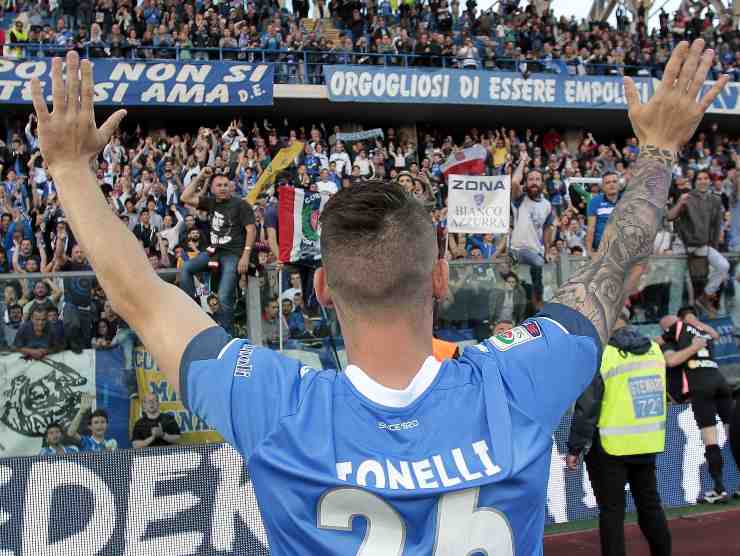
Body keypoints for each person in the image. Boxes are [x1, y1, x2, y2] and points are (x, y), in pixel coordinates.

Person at [30, 43, 726, 554]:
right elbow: (613, 266)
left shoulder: (278, 407)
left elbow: (141, 296)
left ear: (324, 288)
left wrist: (66, 167)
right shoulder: (517, 380)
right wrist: (659, 150)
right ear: (442, 278)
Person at [567, 310, 671, 556]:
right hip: (647, 441)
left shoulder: (602, 354)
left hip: (610, 444)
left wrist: (575, 446)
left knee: (612, 512)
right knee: (650, 505)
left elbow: (588, 405)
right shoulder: (654, 350)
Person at [659, 307, 736, 503]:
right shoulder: (702, 332)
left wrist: (689, 347)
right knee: (734, 434)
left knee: (710, 439)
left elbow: (672, 360)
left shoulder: (672, 336)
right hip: (721, 382)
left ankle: (719, 489)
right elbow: (715, 334)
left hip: (701, 386)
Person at [179, 166, 256, 333]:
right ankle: (192, 309)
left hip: (233, 255)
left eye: (225, 185)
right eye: (219, 185)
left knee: (223, 296)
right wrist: (200, 176)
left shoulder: (241, 205)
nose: (222, 188)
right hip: (213, 252)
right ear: (212, 188)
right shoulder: (211, 202)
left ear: (231, 187)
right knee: (186, 268)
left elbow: (251, 230)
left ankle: (226, 336)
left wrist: (245, 256)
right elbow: (185, 197)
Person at [667, 169, 729, 316]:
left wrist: (712, 248)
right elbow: (670, 216)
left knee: (723, 266)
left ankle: (705, 297)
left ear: (710, 181)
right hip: (682, 245)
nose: (703, 181)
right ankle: (673, 317)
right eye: (699, 179)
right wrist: (681, 202)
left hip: (703, 246)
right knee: (678, 284)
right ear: (695, 182)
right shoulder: (687, 196)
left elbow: (715, 225)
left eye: (705, 178)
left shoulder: (716, 199)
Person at [509, 157, 553, 307]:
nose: (534, 182)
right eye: (530, 179)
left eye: (537, 179)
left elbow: (547, 228)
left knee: (538, 277)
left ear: (542, 183)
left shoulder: (547, 205)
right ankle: (534, 303)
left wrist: (547, 251)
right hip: (518, 249)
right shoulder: (520, 199)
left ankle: (536, 305)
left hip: (536, 251)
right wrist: (522, 161)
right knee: (537, 265)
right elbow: (515, 182)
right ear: (526, 183)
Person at [586, 172, 621, 259]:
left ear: (619, 184)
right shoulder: (595, 201)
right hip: (601, 249)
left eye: (614, 181)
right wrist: (589, 251)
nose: (611, 185)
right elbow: (591, 228)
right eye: (608, 183)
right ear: (603, 187)